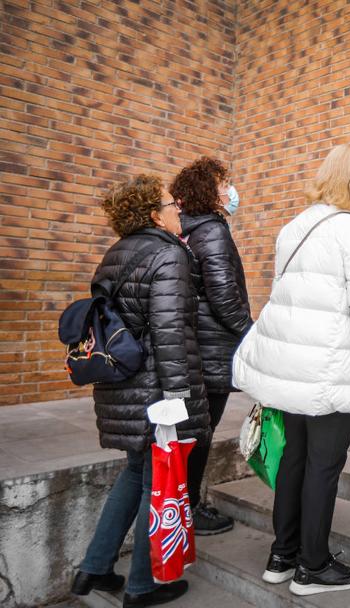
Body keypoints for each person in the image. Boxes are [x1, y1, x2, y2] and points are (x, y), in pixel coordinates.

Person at [232, 143, 350, 596]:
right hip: (332, 368)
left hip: (294, 367)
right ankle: (313, 567)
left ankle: (284, 554)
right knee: (323, 466)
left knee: (294, 459)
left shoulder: (296, 227)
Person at [72, 175, 209, 607]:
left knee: (135, 474)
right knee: (156, 483)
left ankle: (93, 569)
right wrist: (177, 398)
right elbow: (169, 332)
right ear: (154, 214)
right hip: (155, 391)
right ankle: (142, 586)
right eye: (172, 204)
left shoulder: (117, 253)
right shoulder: (169, 254)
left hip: (121, 384)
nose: (179, 208)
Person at [170, 157, 253, 535]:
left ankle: (184, 506)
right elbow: (223, 296)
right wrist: (251, 332)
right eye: (223, 184)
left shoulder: (184, 229)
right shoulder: (212, 231)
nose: (229, 191)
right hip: (212, 346)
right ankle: (190, 509)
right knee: (201, 430)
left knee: (191, 429)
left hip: (192, 343)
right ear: (209, 191)